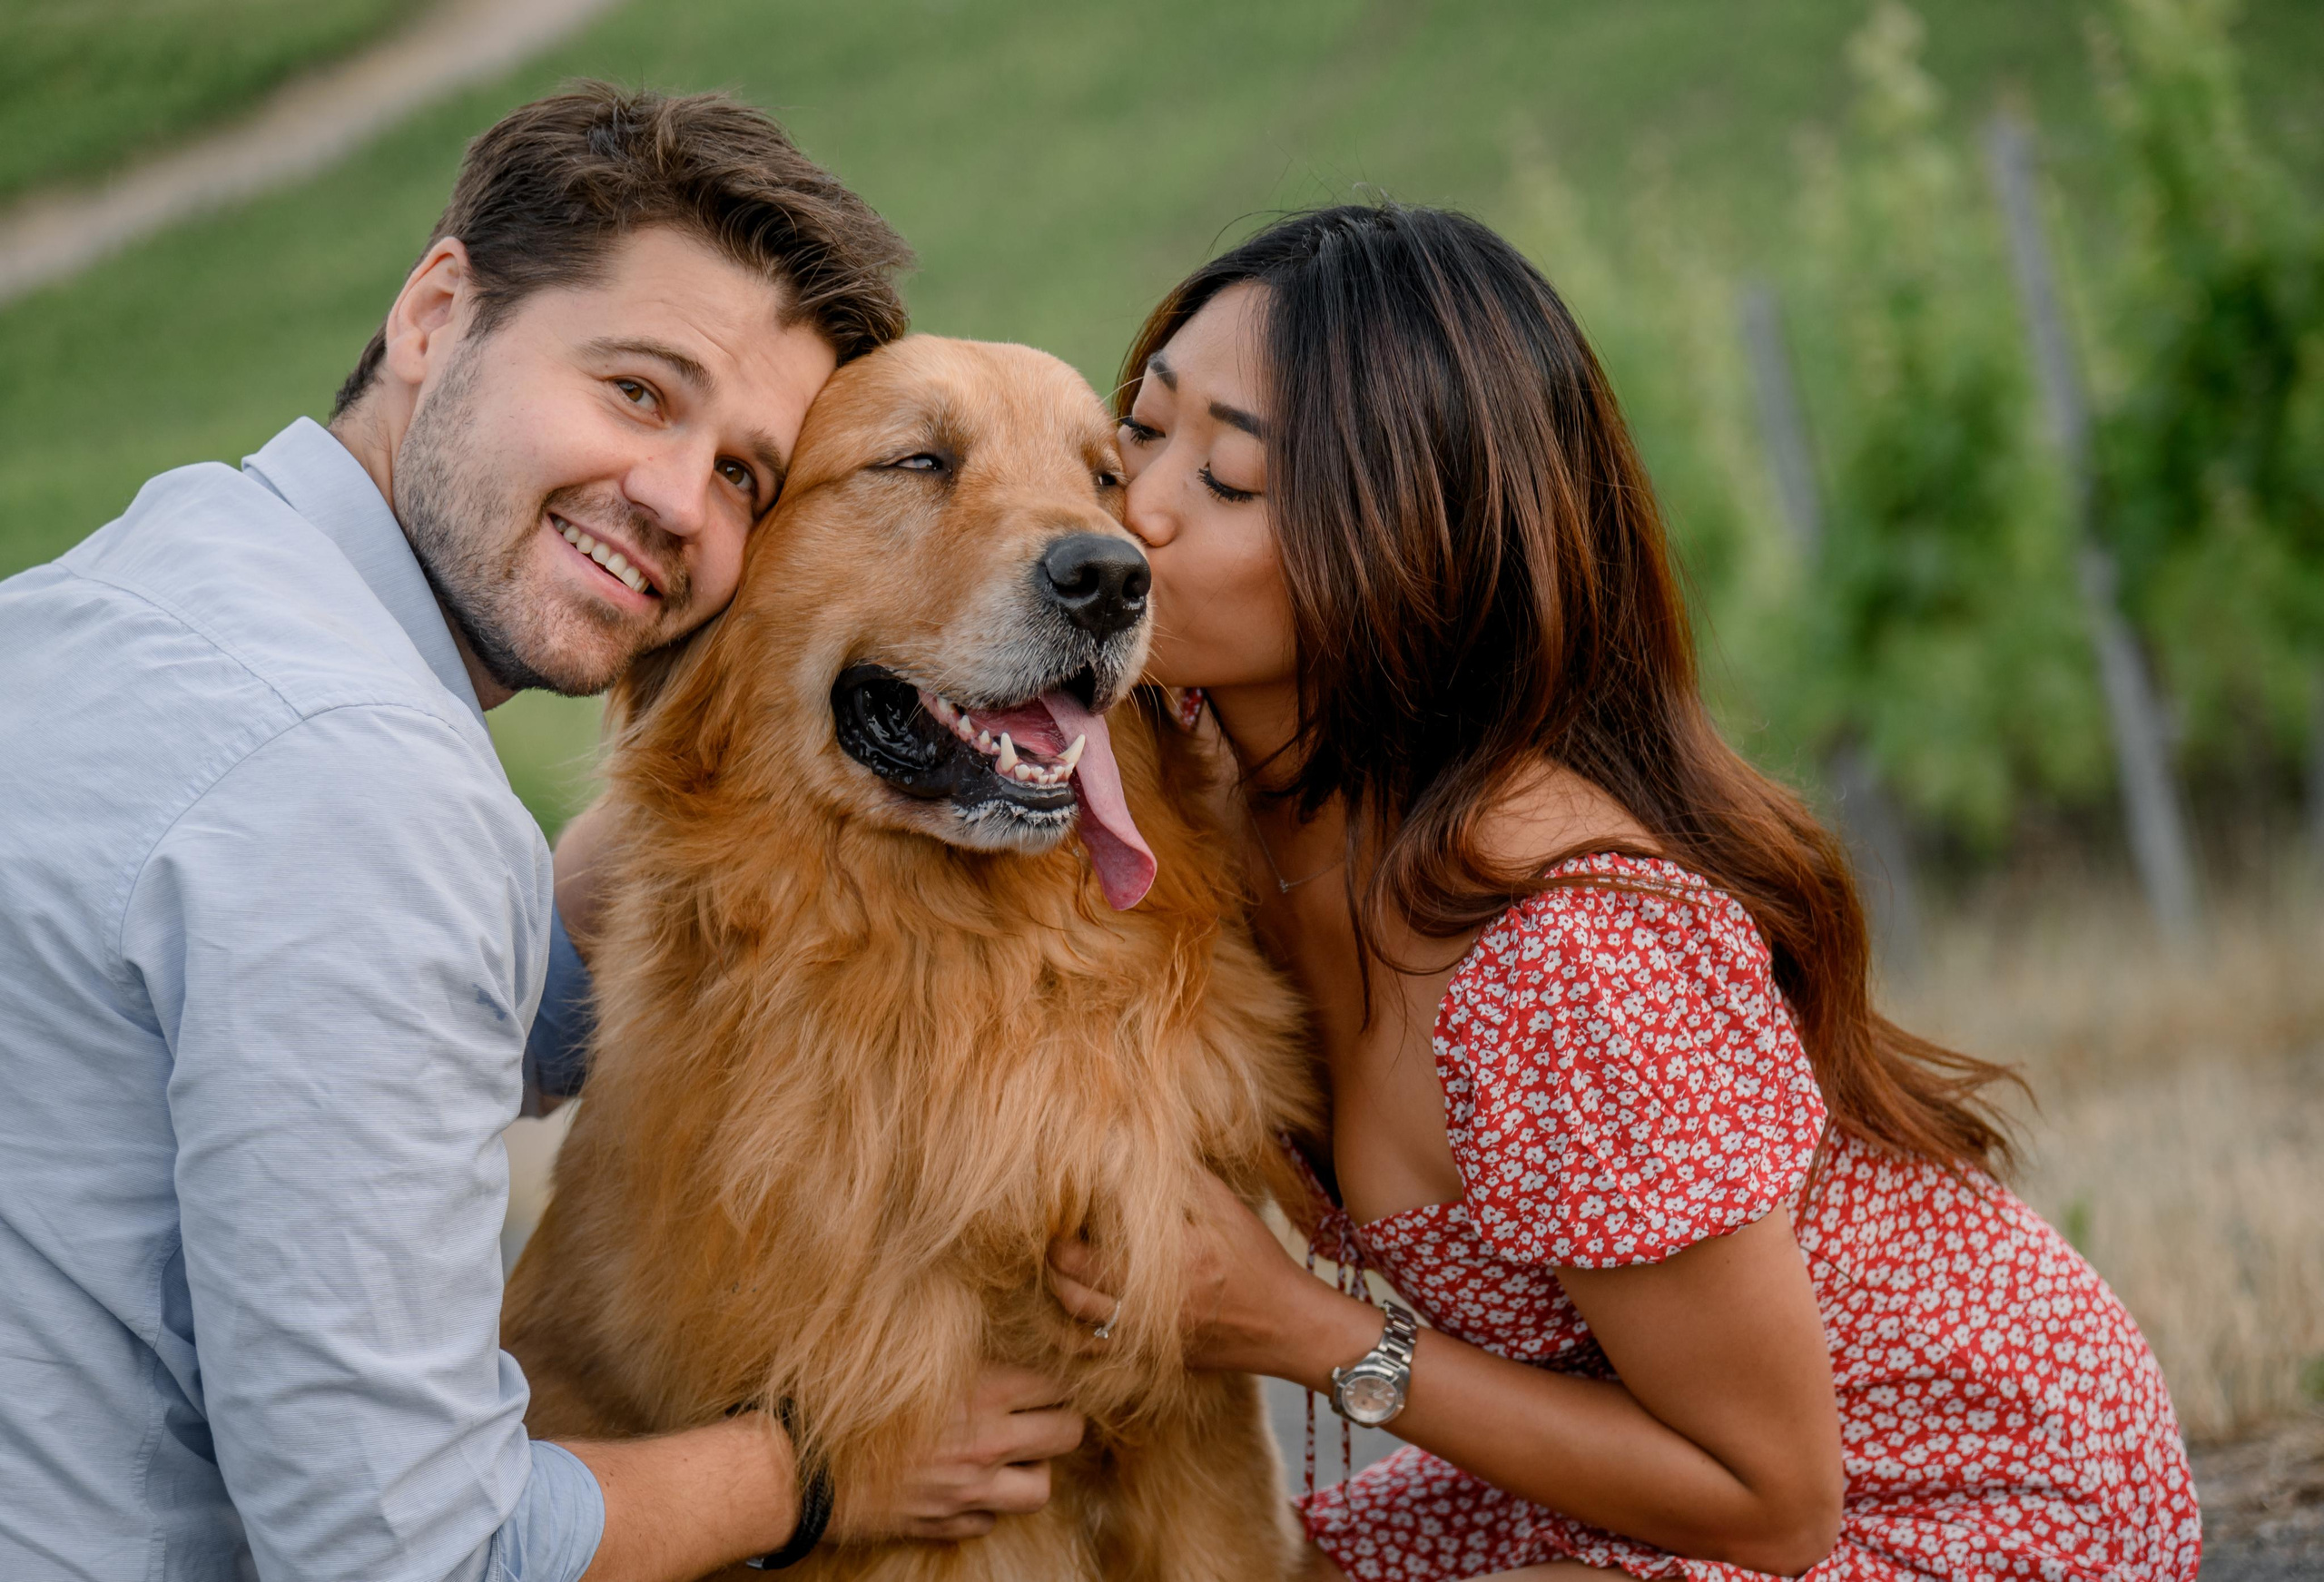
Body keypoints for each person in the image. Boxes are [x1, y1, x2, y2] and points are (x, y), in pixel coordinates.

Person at [0, 84, 1082, 1582]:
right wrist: (816, 1471)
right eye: (639, 391)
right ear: (438, 313)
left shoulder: (144, 575)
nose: (669, 501)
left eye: (742, 476)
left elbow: (307, 1063)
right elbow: (412, 1553)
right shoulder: (361, 791)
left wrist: (624, 890)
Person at [1046, 203, 2204, 1581]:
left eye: (1228, 481)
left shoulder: (1565, 958)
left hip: (1957, 1498)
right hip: (1632, 1460)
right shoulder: (1220, 835)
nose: (1137, 509)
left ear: (1414, 551)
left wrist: (1305, 1330)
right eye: (1139, 430)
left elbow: (1777, 1502)